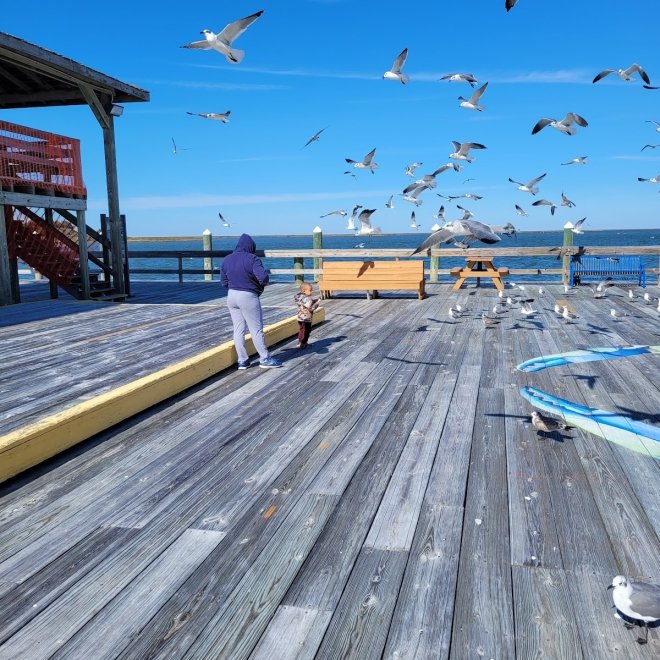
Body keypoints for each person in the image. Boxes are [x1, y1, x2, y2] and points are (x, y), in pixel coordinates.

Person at [220, 234, 282, 369]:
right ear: (250, 247)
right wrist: (257, 287)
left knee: (238, 329)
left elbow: (224, 282)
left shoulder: (227, 259)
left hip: (231, 296)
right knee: (256, 329)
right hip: (248, 296)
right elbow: (263, 278)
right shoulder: (252, 258)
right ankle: (264, 358)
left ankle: (242, 360)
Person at [294, 282, 320, 348]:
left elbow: (304, 305)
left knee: (301, 330)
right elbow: (311, 308)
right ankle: (303, 343)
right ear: (304, 291)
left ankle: (300, 342)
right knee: (307, 331)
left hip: (300, 317)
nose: (311, 292)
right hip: (306, 318)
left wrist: (312, 301)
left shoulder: (299, 298)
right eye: (310, 290)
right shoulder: (308, 299)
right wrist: (317, 303)